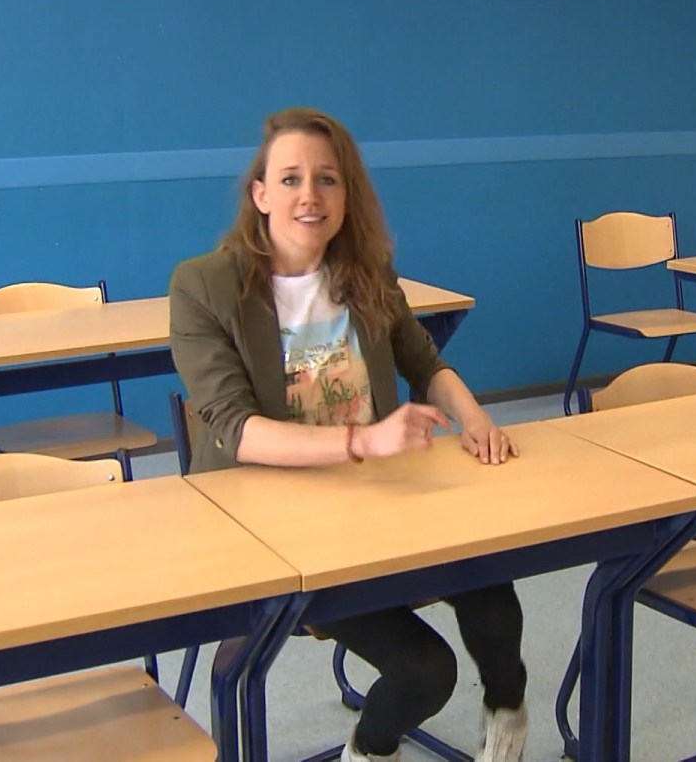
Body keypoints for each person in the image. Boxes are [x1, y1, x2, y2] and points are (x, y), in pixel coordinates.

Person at [169, 107, 527, 762]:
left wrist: (473, 416)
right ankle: (370, 748)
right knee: (426, 669)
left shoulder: (366, 270)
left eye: (327, 179)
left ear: (346, 195)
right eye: (291, 179)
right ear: (261, 194)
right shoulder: (204, 285)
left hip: (383, 505)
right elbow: (236, 430)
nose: (310, 195)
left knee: (497, 605)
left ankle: (508, 717)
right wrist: (364, 442)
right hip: (278, 530)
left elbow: (423, 362)